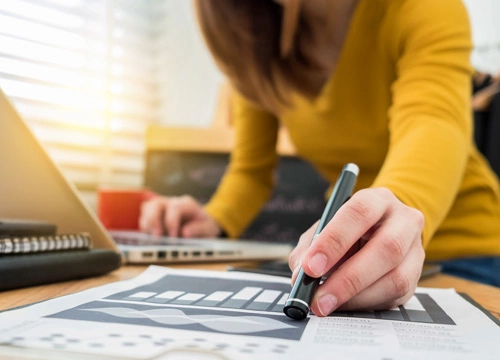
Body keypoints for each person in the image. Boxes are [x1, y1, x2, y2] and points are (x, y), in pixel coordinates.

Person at [140, 0, 500, 316]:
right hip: (354, 255)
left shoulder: (422, 7)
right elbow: (251, 172)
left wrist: (388, 217)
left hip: (470, 255)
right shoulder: (255, 44)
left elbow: (433, 122)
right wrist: (212, 219)